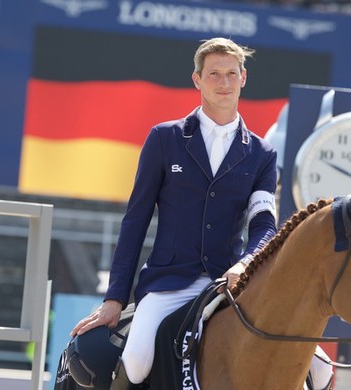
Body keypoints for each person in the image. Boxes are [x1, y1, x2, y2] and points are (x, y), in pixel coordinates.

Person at [70, 37, 278, 389]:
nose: (223, 82)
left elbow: (264, 224)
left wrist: (245, 263)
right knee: (135, 362)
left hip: (229, 283)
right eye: (214, 74)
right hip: (170, 282)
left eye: (231, 73)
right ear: (197, 80)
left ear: (244, 78)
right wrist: (114, 298)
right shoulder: (164, 139)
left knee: (318, 369)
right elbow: (135, 221)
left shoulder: (262, 153)